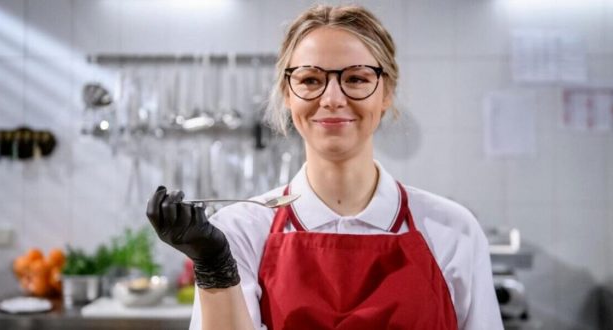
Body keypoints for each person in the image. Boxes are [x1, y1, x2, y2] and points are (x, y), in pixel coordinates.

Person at [146, 4, 503, 330]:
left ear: (387, 92)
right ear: (288, 94)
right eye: (310, 80)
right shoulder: (239, 232)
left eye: (357, 79)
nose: (332, 99)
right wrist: (214, 266)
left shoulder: (452, 231)